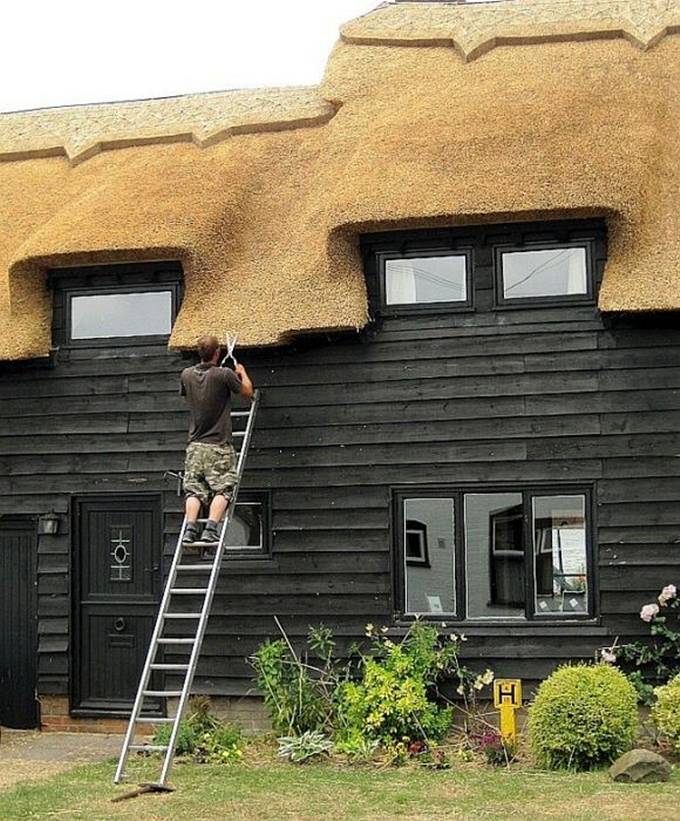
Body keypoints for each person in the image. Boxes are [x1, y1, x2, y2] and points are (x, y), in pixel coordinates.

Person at [180, 334, 254, 544]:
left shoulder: (186, 375)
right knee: (224, 489)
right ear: (218, 353)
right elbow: (248, 392)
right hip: (218, 446)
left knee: (194, 490)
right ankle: (211, 528)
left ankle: (190, 529)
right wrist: (241, 372)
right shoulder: (224, 374)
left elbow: (188, 395)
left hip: (194, 448)